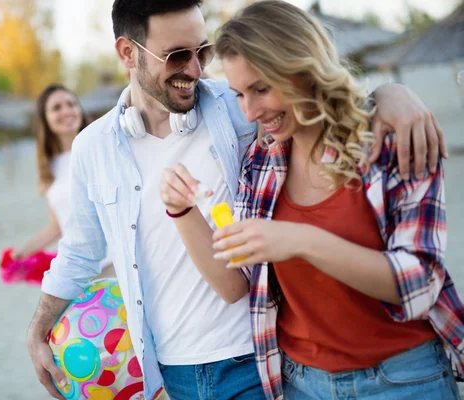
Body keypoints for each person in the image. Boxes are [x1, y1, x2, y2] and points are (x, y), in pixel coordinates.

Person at [26, 1, 449, 399]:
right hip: (187, 370)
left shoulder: (238, 111)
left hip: (270, 358)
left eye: (202, 52)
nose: (193, 69)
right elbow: (81, 252)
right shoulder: (96, 148)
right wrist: (38, 328)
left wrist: (391, 92)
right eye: (176, 55)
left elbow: (320, 101)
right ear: (127, 53)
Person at [160, 1, 463, 399]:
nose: (250, 112)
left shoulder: (393, 142)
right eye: (238, 95)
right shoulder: (262, 159)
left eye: (261, 89)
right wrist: (181, 211)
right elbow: (239, 284)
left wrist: (300, 240)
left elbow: (421, 282)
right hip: (300, 383)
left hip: (404, 380)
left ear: (302, 69)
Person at [10, 84, 112, 273]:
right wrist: (23, 250)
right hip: (76, 270)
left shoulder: (99, 150)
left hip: (111, 262)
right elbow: (58, 227)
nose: (66, 111)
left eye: (71, 104)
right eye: (56, 108)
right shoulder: (50, 167)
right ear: (45, 119)